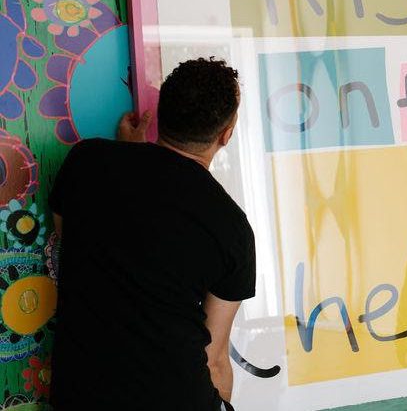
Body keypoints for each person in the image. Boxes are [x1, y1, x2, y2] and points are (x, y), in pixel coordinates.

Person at [50, 58, 255, 410]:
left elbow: (75, 245)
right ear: (226, 135)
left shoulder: (87, 163)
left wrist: (130, 156)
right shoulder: (232, 228)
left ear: (161, 113)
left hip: (80, 396)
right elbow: (216, 359)